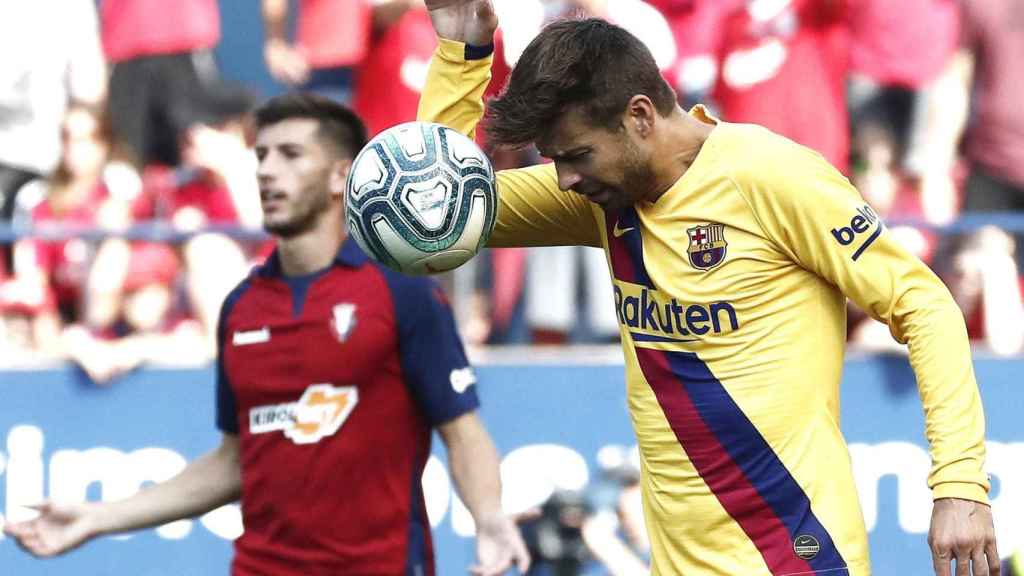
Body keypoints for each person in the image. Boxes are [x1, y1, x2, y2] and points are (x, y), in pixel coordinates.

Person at [418, 2, 998, 574]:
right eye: (556, 161)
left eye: (576, 156)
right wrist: (462, 55)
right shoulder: (599, 196)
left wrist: (960, 485)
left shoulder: (772, 177)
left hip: (795, 557)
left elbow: (924, 304)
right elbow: (433, 222)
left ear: (640, 116)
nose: (565, 178)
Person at [3, 93, 530, 576]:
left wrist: (489, 518)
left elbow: (463, 432)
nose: (267, 172)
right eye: (261, 156)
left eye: (291, 155)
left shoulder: (402, 294)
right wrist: (98, 517)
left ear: (340, 176)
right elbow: (233, 461)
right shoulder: (241, 307)